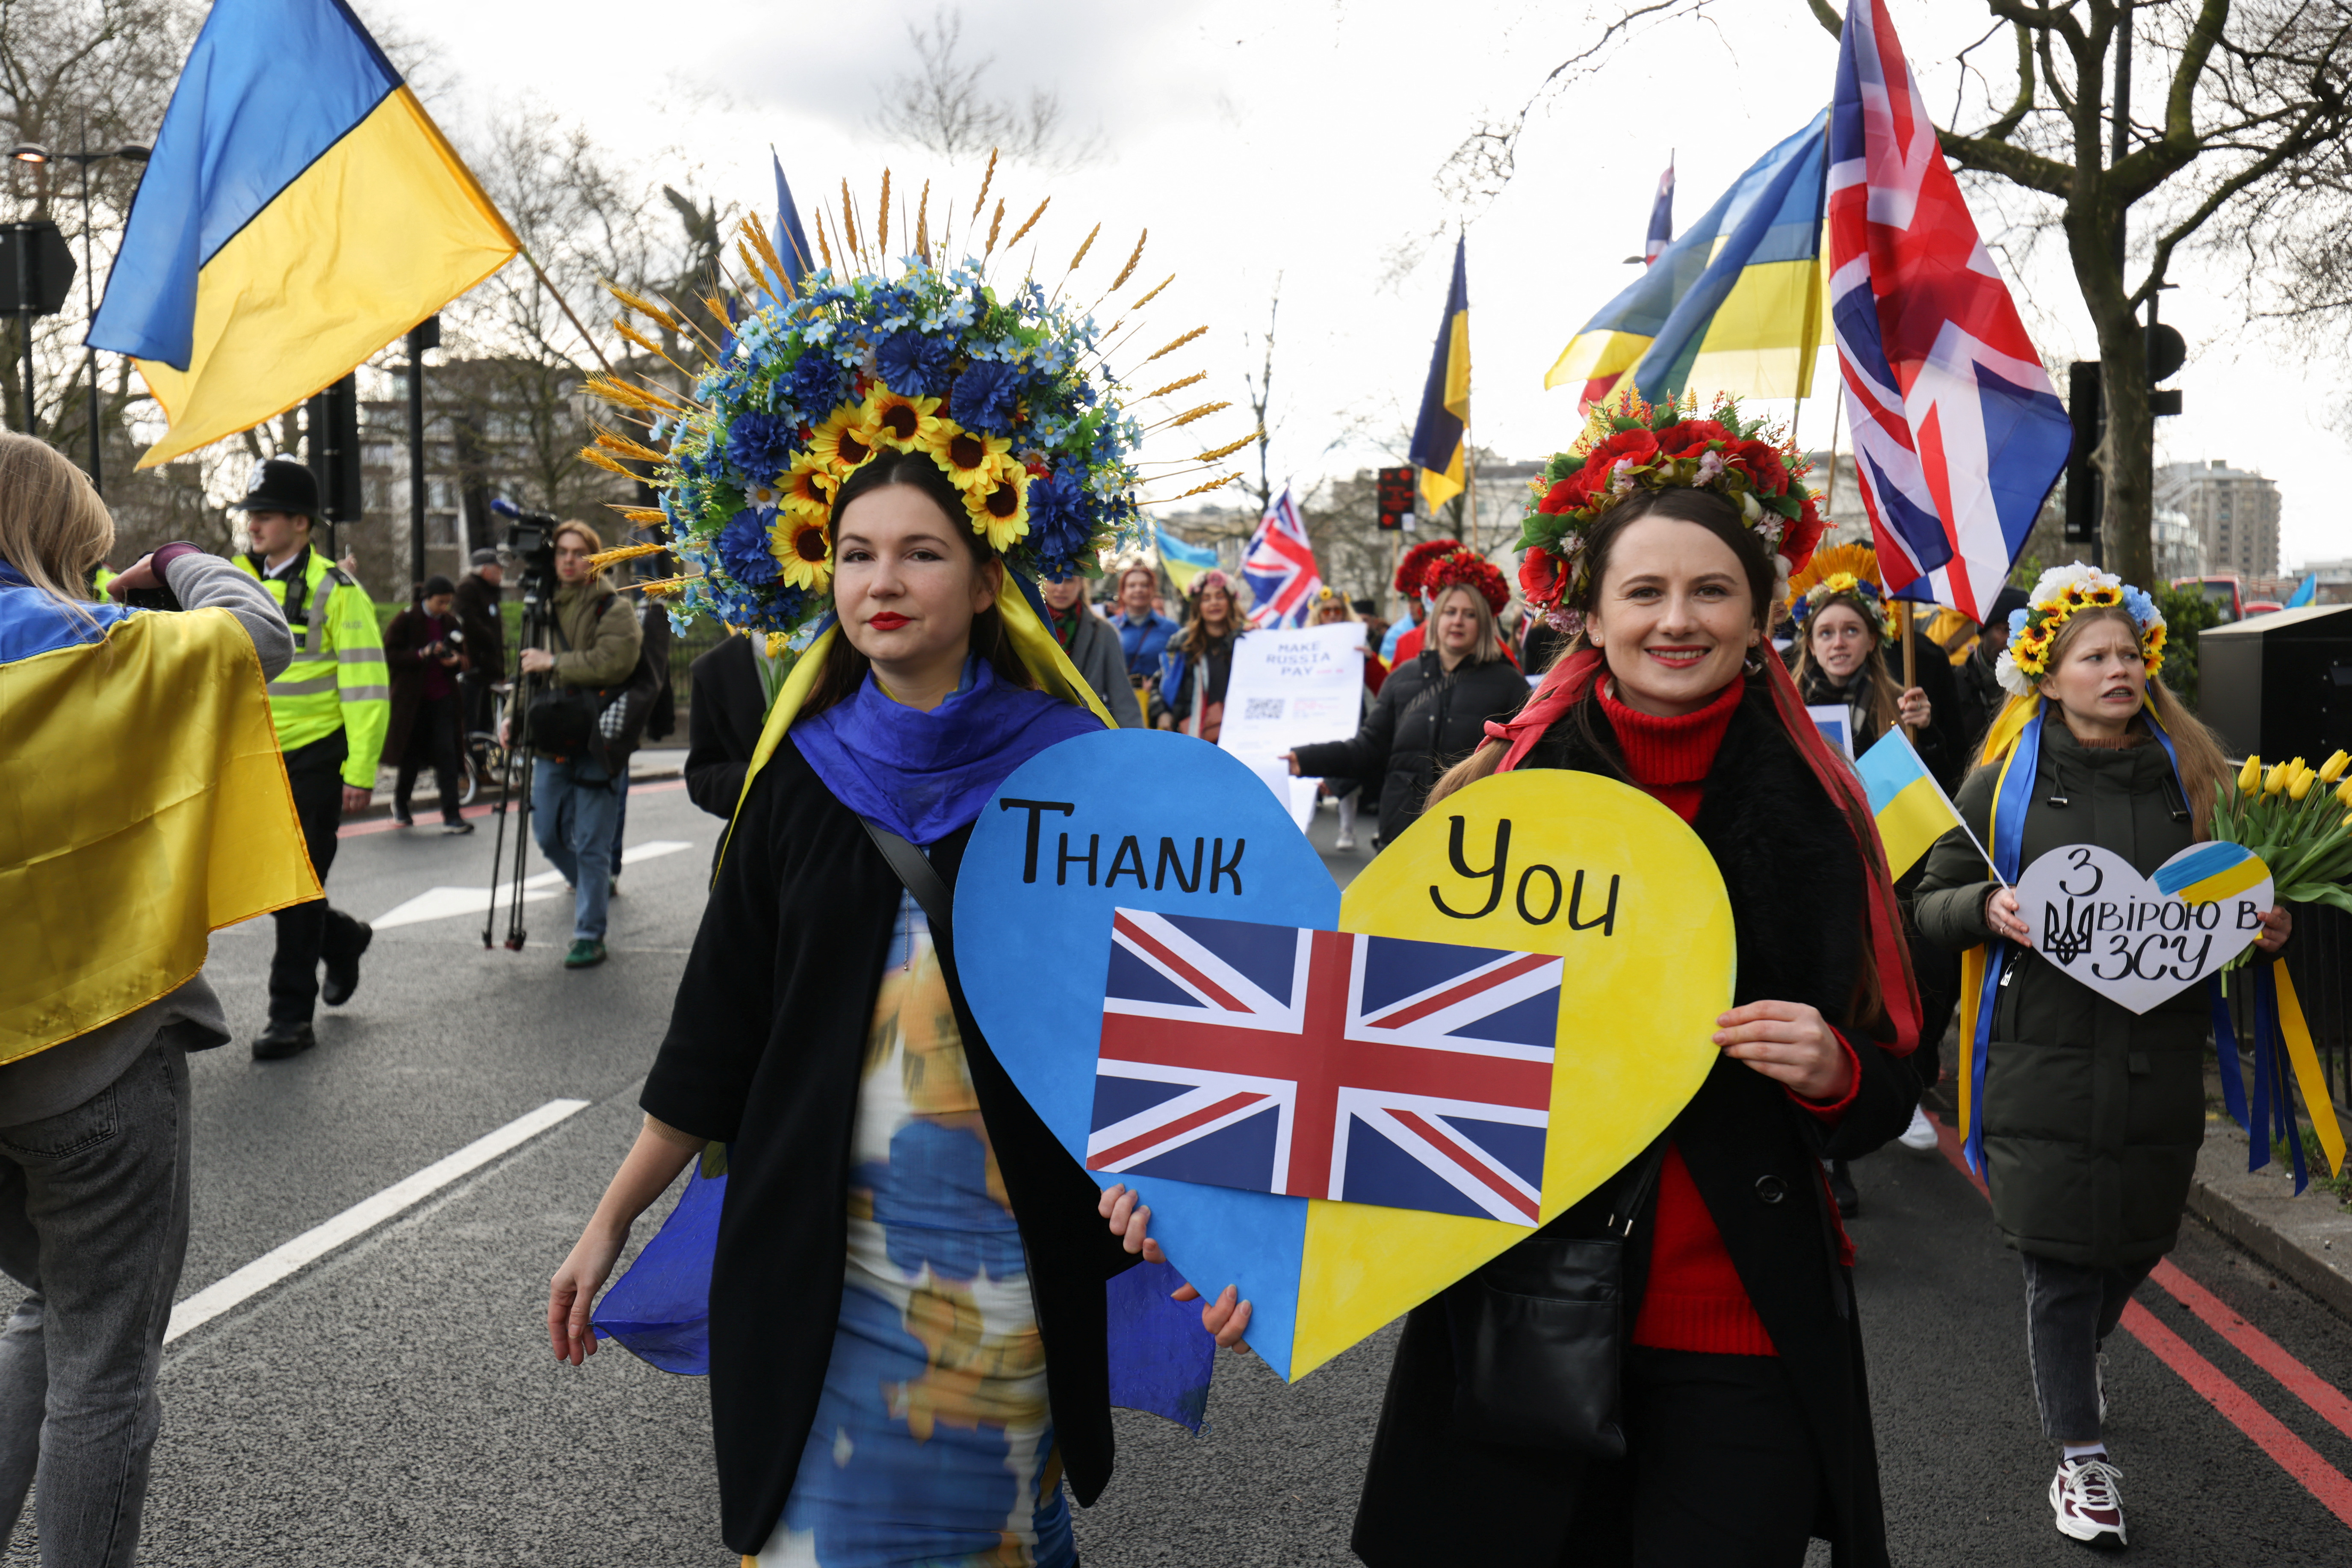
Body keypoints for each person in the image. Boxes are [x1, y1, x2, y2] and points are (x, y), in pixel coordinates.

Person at [1341, 400, 1921, 1566]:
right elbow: (1370, 1062)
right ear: (1588, 612)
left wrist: (1832, 1067)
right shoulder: (1492, 803)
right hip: (1521, 1305)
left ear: (1762, 615)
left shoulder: (1825, 809)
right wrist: (1232, 1221)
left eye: (1710, 590)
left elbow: (1887, 1084)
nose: (1675, 618)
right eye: (1643, 591)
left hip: (1740, 1330)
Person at [547, 450, 1147, 1564]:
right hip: (821, 1268)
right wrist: (609, 1217)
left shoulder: (1073, 777)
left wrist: (1168, 1177)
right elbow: (715, 1034)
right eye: (856, 552)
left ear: (983, 581)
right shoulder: (798, 777)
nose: (884, 577)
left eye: (922, 552)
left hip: (1000, 1266)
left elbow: (1145, 1012)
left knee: (991, 1534)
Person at [1913, 563, 2290, 1551]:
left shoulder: (2201, 778)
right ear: (2045, 674)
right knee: (2056, 1263)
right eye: (2093, 655)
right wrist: (1982, 907)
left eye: (2128, 651)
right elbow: (1928, 901)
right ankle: (2078, 1454)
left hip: (2156, 1062)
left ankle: (2071, 1362)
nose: (2116, 666)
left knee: (2131, 1245)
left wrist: (2265, 926)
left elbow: (2239, 901)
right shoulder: (1998, 788)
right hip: (2037, 1061)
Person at [0, 432, 298, 1564]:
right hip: (92, 1056)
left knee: (47, 1306)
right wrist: (177, 555)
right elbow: (259, 632)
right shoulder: (91, 643)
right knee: (103, 1356)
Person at [1786, 546, 1952, 1181]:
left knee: (1909, 976)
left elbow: (1946, 786)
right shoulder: (1787, 701)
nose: (1838, 641)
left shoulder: (1903, 699)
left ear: (1871, 638)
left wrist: (1927, 734)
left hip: (1892, 869)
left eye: (1851, 629)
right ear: (1809, 639)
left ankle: (1903, 1080)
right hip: (1818, 871)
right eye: (1825, 630)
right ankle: (1835, 1167)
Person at [229, 458, 389, 1060]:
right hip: (251, 759)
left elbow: (367, 685)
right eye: (251, 516)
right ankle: (343, 937)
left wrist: (361, 771)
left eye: (265, 516)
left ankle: (290, 1016)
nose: (255, 527)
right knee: (266, 884)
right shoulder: (230, 581)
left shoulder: (337, 590)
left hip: (317, 758)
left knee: (296, 888)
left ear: (302, 522)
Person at [1284, 551, 1529, 850]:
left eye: (1470, 614)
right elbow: (1367, 748)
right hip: (1401, 838)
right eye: (1450, 611)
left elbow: (1525, 765)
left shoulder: (1509, 684)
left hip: (1475, 840)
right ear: (1436, 617)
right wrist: (1306, 759)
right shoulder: (1402, 679)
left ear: (1484, 623)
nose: (1458, 621)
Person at [514, 521, 644, 970]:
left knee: (592, 843)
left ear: (594, 558)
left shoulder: (614, 607)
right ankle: (594, 885)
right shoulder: (539, 607)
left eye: (579, 552)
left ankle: (590, 933)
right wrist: (513, 719)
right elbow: (526, 668)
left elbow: (616, 662)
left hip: (597, 738)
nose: (569, 560)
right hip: (550, 738)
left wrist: (557, 662)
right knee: (548, 834)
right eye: (562, 553)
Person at [384, 574, 473, 833]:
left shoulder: (451, 622)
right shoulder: (406, 619)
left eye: (448, 603)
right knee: (411, 758)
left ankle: (452, 815)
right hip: (413, 702)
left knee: (448, 756)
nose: (444, 608)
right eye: (440, 602)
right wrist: (421, 654)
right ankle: (401, 804)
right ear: (427, 598)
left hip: (443, 699)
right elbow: (389, 654)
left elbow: (466, 657)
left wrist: (455, 660)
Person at [1306, 586, 1384, 851]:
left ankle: (1347, 828)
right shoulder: (1306, 642)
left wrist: (1369, 660)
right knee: (1305, 765)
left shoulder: (1358, 642)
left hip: (1348, 713)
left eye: (1337, 610)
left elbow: (1381, 684)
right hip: (1314, 711)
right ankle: (1302, 825)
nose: (1332, 615)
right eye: (1326, 611)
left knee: (1346, 766)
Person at [682, 632, 775, 821]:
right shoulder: (716, 667)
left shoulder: (844, 648)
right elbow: (702, 778)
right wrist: (758, 779)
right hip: (764, 841)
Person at [1041, 569, 1143, 726]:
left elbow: (1122, 696)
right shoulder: (1027, 627)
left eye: (1069, 579)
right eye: (1052, 578)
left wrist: (1136, 745)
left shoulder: (1103, 632)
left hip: (1084, 733)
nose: (1060, 588)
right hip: (1037, 731)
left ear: (1081, 583)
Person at [1155, 569, 1244, 740]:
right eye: (1206, 598)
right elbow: (1159, 683)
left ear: (1230, 601)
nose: (1214, 603)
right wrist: (1162, 712)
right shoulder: (1183, 643)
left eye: (1220, 596)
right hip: (1195, 738)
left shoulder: (1244, 640)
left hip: (1239, 734)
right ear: (1198, 606)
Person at [1953, 584, 2030, 759]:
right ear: (1982, 633)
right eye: (2005, 629)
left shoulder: (2040, 684)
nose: (2014, 639)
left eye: (2023, 630)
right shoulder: (1955, 684)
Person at [453, 545, 507, 741]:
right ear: (486, 570)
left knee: (486, 719)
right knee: (472, 719)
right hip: (475, 667)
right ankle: (471, 758)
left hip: (487, 668)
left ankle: (485, 760)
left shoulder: (489, 592)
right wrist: (488, 639)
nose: (502, 573)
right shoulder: (469, 589)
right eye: (498, 569)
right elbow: (468, 623)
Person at [1110, 561, 1177, 692]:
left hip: (1159, 704)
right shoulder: (1108, 628)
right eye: (1132, 586)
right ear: (1123, 592)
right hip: (1118, 705)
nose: (1138, 590)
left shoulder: (1171, 630)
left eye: (1145, 585)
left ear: (1153, 591)